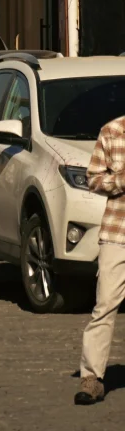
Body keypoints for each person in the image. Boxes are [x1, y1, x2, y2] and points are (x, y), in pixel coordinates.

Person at [75, 108, 125, 405]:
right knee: (105, 304)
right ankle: (91, 378)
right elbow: (93, 179)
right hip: (118, 233)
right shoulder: (112, 132)